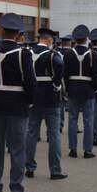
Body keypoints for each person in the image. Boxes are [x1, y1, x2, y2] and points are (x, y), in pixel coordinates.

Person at [0, 13, 35, 192]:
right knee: (17, 149)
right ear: (19, 34)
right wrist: (29, 101)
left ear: (2, 31)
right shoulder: (23, 54)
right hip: (17, 105)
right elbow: (31, 82)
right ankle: (17, 189)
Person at [25, 27, 67, 180]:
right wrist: (56, 84)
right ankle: (55, 170)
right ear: (49, 40)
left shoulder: (28, 53)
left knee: (31, 133)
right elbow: (60, 65)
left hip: (33, 98)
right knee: (54, 134)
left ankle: (29, 167)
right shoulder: (52, 55)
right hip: (50, 98)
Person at [63, 25, 97, 159]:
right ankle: (87, 150)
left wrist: (67, 88)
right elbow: (96, 75)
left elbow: (65, 74)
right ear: (86, 39)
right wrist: (95, 88)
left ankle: (73, 149)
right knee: (88, 120)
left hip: (73, 88)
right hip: (88, 89)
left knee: (72, 119)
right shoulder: (93, 55)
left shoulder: (68, 54)